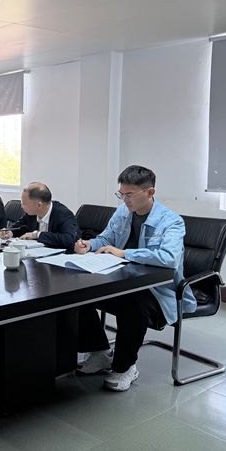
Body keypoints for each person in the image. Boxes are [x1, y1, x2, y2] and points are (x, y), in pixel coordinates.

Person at [74, 165, 196, 392]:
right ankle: (100, 352)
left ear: (150, 192)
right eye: (121, 194)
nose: (125, 200)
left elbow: (169, 258)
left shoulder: (171, 221)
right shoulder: (123, 212)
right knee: (78, 293)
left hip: (159, 290)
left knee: (132, 304)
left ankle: (125, 367)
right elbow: (106, 239)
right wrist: (90, 245)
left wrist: (125, 253)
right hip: (121, 280)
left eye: (129, 194)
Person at [0, 183, 79, 250]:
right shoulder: (31, 214)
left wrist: (37, 235)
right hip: (35, 256)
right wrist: (9, 232)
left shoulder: (63, 214)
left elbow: (68, 239)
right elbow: (18, 228)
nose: (22, 206)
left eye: (24, 203)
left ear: (39, 205)